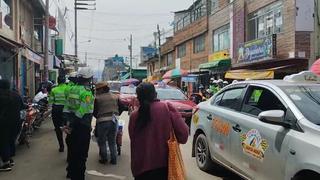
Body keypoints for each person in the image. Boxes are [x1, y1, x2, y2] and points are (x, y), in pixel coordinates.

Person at [129, 82, 189, 180]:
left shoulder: (134, 116)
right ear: (155, 94)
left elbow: (134, 139)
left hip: (140, 169)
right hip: (163, 168)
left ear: (138, 97)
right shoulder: (166, 108)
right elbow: (183, 136)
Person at [63, 67, 95, 180]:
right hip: (82, 126)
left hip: (71, 124)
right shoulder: (86, 93)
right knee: (81, 155)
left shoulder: (72, 89)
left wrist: (68, 123)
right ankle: (79, 177)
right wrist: (73, 124)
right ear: (89, 79)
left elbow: (66, 107)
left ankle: (70, 173)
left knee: (72, 151)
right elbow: (82, 111)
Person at [93, 81, 124, 165]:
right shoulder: (115, 96)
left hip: (102, 121)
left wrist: (99, 117)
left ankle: (104, 158)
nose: (97, 91)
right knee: (112, 141)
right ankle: (114, 159)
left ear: (102, 89)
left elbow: (94, 111)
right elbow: (122, 107)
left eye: (98, 89)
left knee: (102, 141)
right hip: (114, 120)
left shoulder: (98, 98)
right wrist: (116, 114)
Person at [0, 79, 24, 171]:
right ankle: (10, 159)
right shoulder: (16, 95)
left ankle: (6, 164)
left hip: (3, 123)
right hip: (16, 122)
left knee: (3, 142)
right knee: (11, 140)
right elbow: (22, 106)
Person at [49, 76, 68, 152]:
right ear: (64, 81)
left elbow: (50, 102)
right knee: (68, 127)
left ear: (58, 81)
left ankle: (61, 146)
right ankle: (69, 144)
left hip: (56, 110)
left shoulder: (54, 90)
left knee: (58, 128)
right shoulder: (69, 89)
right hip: (66, 110)